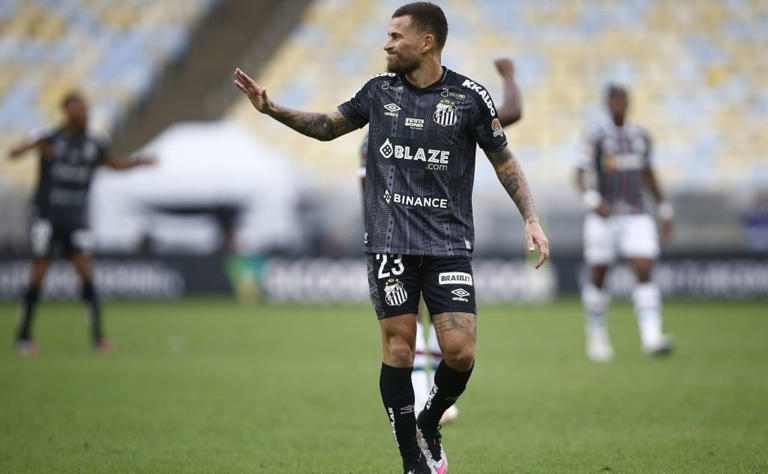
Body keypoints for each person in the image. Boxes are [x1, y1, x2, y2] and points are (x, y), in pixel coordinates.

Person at [233, 3, 549, 472]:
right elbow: (326, 127)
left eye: (396, 36)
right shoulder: (378, 92)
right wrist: (271, 108)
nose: (386, 43)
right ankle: (411, 462)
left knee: (460, 352)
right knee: (399, 348)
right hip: (389, 242)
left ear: (427, 42)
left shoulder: (469, 97)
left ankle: (429, 421)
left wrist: (530, 217)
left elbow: (503, 159)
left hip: (446, 242)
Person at [357, 57, 523, 427]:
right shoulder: (375, 136)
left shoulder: (447, 117)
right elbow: (366, 187)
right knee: (406, 322)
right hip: (395, 234)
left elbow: (507, 116)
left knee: (448, 330)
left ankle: (429, 398)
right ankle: (418, 392)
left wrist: (510, 79)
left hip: (441, 232)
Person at [8, 91, 154, 355]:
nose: (84, 115)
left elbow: (114, 163)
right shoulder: (49, 138)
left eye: (86, 111)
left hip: (77, 218)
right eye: (79, 111)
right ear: (66, 112)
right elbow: (15, 152)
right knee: (38, 275)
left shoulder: (94, 143)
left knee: (86, 274)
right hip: (47, 217)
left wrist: (137, 163)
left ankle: (99, 337)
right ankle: (24, 335)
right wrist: (25, 147)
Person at [575, 84, 674, 362]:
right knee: (599, 275)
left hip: (636, 213)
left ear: (628, 102)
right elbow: (580, 173)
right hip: (603, 216)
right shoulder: (596, 135)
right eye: (615, 98)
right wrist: (594, 200)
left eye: (623, 98)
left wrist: (664, 209)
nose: (619, 103)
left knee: (644, 267)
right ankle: (596, 335)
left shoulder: (641, 135)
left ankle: (651, 337)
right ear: (607, 102)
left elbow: (649, 174)